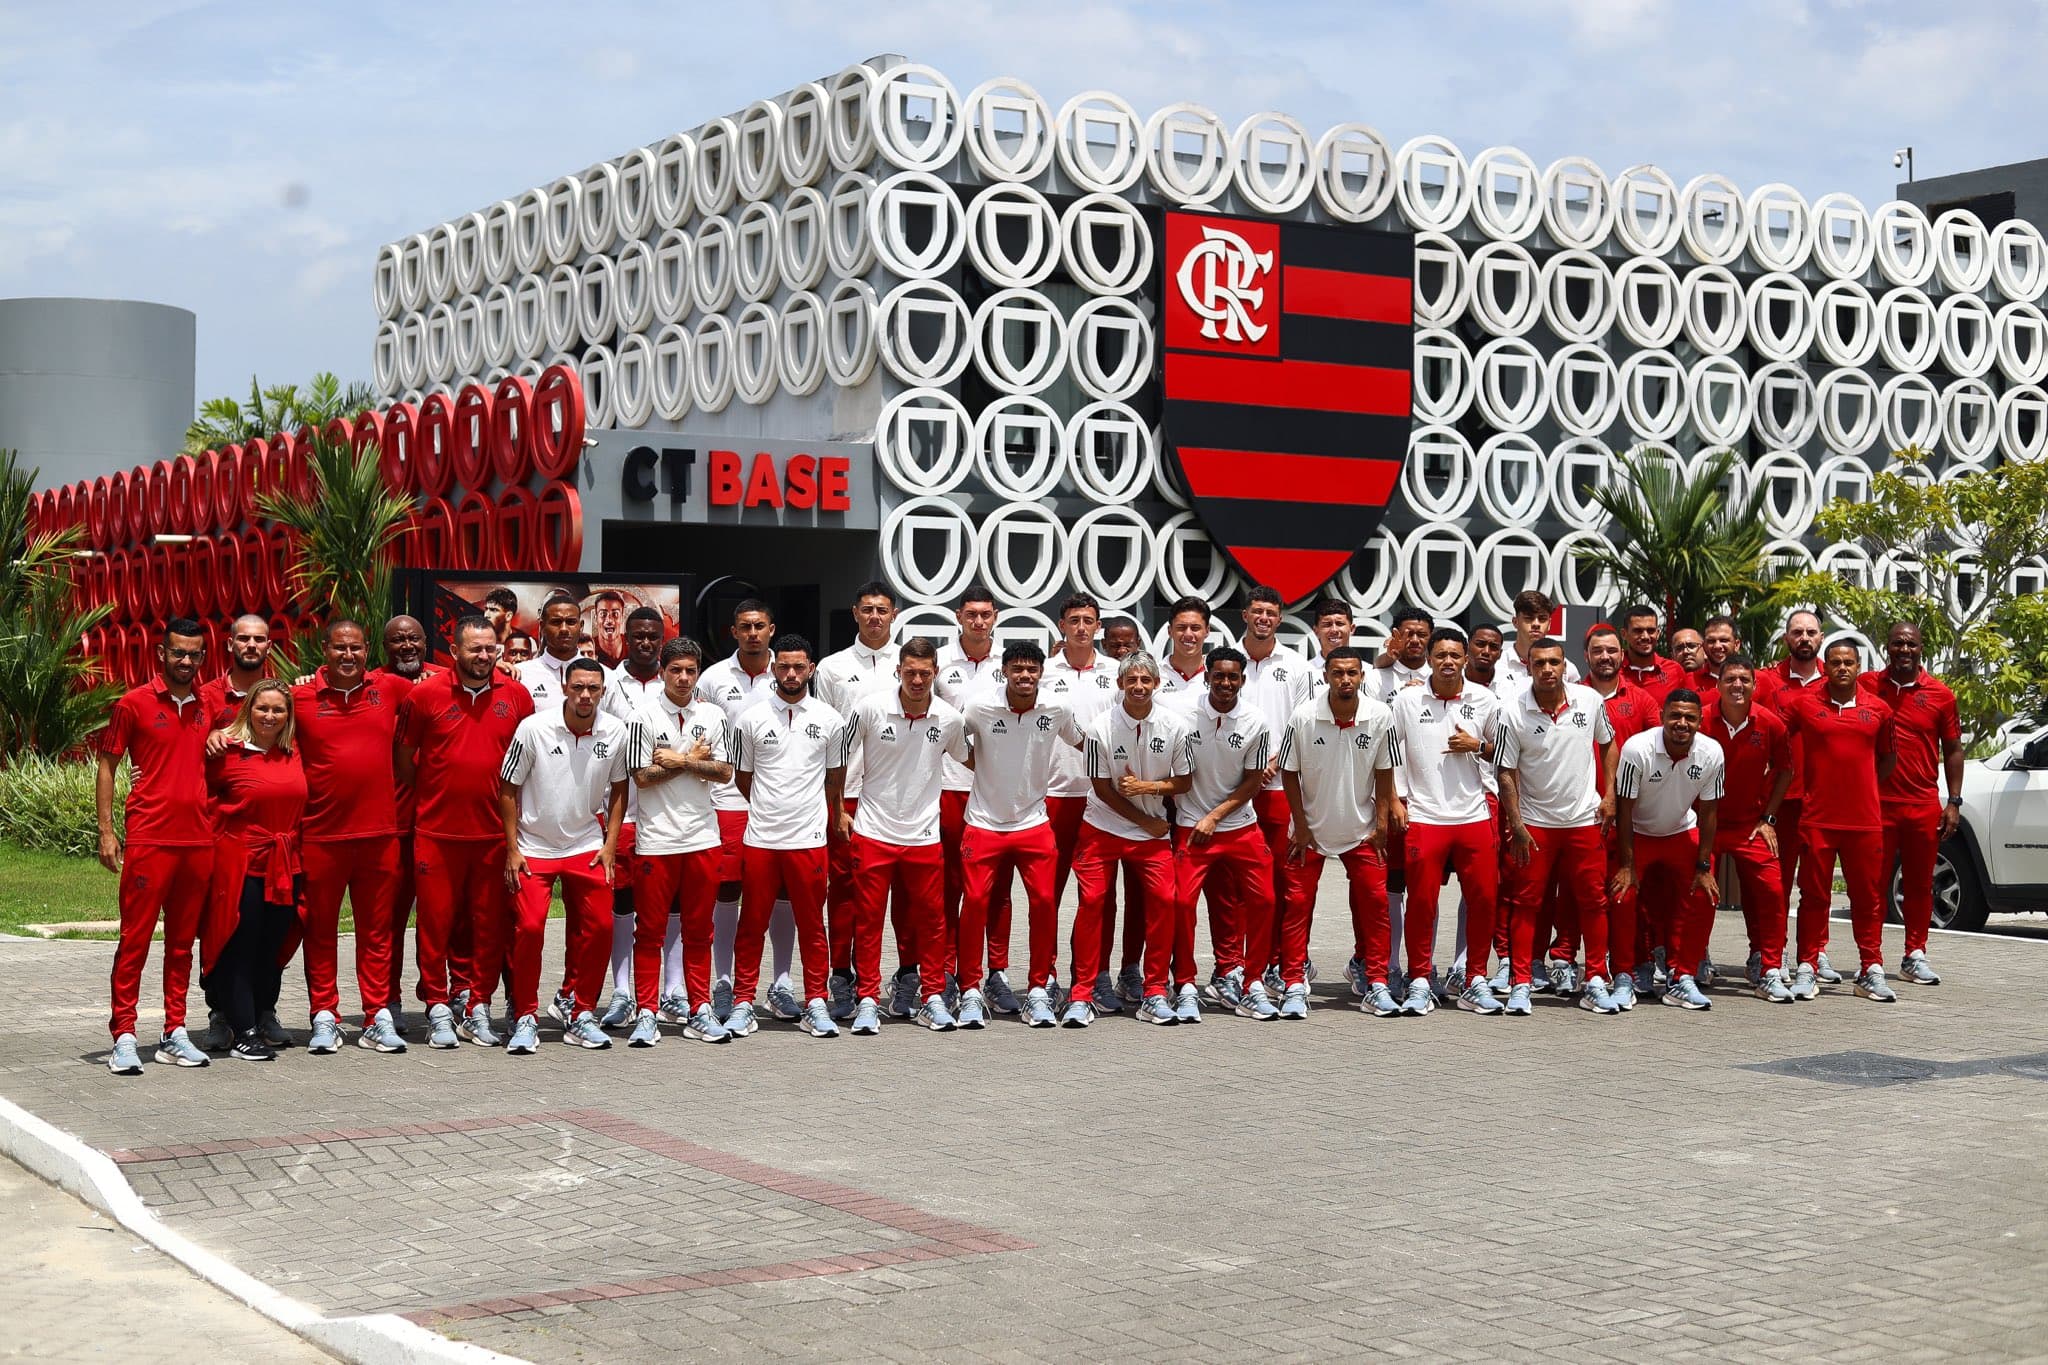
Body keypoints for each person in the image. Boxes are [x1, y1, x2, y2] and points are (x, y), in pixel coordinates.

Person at [397, 616, 535, 1048]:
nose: (483, 656)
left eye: (490, 648)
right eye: (474, 648)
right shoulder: (424, 696)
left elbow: (527, 764)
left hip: (494, 835)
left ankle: (478, 1006)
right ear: (453, 651)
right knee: (434, 926)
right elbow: (404, 761)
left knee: (488, 927)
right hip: (437, 833)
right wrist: (438, 793)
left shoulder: (516, 696)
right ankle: (438, 1006)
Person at [285, 620, 412, 1055]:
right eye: (339, 648)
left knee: (376, 932)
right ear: (324, 650)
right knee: (319, 931)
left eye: (356, 648)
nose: (348, 656)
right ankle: (324, 1016)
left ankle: (377, 1015)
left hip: (380, 834)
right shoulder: (299, 697)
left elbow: (442, 691)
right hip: (320, 836)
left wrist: (507, 669)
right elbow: (255, 726)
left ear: (366, 651)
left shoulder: (390, 689)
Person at [97, 619, 217, 1074]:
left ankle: (174, 1031)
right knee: (136, 941)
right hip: (150, 839)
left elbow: (265, 699)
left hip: (198, 841)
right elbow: (107, 766)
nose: (186, 661)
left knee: (183, 944)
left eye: (194, 654)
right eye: (178, 653)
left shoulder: (210, 705)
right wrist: (107, 832)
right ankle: (124, 1035)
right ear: (161, 654)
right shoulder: (134, 704)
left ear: (204, 657)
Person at [833, 637, 970, 1033]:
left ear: (935, 673)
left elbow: (970, 758)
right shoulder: (870, 708)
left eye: (924, 673)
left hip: (924, 834)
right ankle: (868, 1001)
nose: (916, 679)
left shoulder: (949, 718)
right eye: (909, 672)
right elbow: (839, 757)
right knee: (869, 920)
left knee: (930, 921)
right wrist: (840, 808)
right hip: (873, 831)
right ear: (898, 671)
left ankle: (931, 998)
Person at [498, 657, 629, 1055]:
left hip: (586, 845)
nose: (585, 695)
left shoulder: (616, 730)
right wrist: (512, 849)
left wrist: (609, 844)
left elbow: (620, 788)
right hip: (534, 845)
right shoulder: (533, 729)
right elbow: (507, 787)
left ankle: (581, 1012)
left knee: (601, 929)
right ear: (565, 689)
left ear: (603, 692)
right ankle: (524, 1016)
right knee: (532, 928)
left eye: (593, 688)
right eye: (578, 687)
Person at [1065, 653, 1195, 1027]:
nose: (1138, 686)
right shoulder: (1099, 728)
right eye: (1132, 680)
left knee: (1165, 902)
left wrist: (1149, 788)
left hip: (1150, 831)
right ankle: (1082, 994)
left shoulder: (1175, 725)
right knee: (1092, 904)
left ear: (1156, 684)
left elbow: (1184, 781)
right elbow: (1102, 788)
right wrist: (1143, 819)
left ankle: (1154, 992)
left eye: (1146, 680)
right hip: (1103, 827)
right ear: (1120, 684)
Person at [957, 640, 1082, 1028]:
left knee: (1045, 902)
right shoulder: (979, 706)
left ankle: (1039, 991)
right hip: (983, 822)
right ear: (1005, 672)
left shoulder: (1057, 707)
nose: (1025, 676)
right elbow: (953, 742)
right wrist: (985, 770)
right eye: (1017, 670)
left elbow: (1086, 741)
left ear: (1041, 673)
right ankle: (971, 992)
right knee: (975, 902)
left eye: (1032, 670)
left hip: (1033, 823)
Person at [1494, 639, 1621, 1015]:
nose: (1547, 669)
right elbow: (1505, 772)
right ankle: (1520, 983)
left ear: (1564, 666)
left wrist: (1609, 794)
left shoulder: (1590, 701)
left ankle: (1596, 978)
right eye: (1539, 663)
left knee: (1594, 902)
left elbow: (1609, 745)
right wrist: (1516, 825)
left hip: (1584, 820)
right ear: (1529, 666)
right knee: (1527, 904)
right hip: (1535, 825)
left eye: (1554, 663)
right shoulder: (1512, 711)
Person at [729, 634, 846, 1039]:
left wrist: (832, 816)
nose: (791, 674)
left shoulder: (830, 719)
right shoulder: (751, 719)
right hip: (761, 838)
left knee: (813, 925)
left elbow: (835, 778)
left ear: (811, 669)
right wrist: (770, 807)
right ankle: (743, 1002)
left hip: (810, 839)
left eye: (799, 667)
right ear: (774, 669)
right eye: (784, 666)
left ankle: (815, 1001)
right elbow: (743, 779)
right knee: (751, 924)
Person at [624, 636, 735, 1046]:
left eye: (691, 670)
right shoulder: (642, 716)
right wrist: (695, 763)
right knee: (650, 931)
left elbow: (724, 772)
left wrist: (679, 760)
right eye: (676, 671)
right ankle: (647, 1012)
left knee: (699, 930)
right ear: (662, 673)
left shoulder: (713, 714)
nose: (684, 678)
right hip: (657, 841)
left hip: (703, 837)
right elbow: (641, 776)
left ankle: (699, 1008)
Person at [1386, 628, 1503, 1014]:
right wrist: (1396, 799)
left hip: (1473, 814)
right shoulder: (1407, 698)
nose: (1448, 661)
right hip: (1424, 814)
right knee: (1422, 901)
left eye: (1455, 655)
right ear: (1430, 658)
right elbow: (1391, 751)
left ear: (1466, 659)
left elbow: (1504, 752)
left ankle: (1475, 979)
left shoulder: (1484, 699)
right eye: (1441, 655)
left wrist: (1478, 746)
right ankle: (1419, 978)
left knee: (1484, 899)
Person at [1279, 648, 1396, 1018]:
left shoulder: (1380, 715)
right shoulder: (1303, 716)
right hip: (1310, 831)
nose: (1345, 680)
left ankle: (1376, 982)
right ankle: (1294, 983)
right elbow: (1288, 772)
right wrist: (1300, 824)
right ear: (1326, 676)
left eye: (1352, 673)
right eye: (1337, 673)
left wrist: (1380, 825)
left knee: (1376, 904)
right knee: (1297, 905)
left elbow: (1385, 771)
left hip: (1361, 830)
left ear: (1362, 676)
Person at [1781, 640, 1899, 1001]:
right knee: (1814, 897)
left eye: (1849, 662)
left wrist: (1858, 787)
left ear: (1858, 665)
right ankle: (1806, 967)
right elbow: (1777, 739)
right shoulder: (1804, 705)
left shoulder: (1879, 709)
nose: (1842, 668)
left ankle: (1871, 968)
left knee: (1867, 898)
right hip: (1817, 818)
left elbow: (1887, 761)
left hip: (1864, 820)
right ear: (1825, 666)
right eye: (1835, 662)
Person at [814, 581, 903, 1021]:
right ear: (854, 613)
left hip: (896, 795)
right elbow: (826, 736)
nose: (874, 617)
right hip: (846, 793)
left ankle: (907, 976)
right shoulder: (831, 668)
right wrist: (835, 804)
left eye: (882, 610)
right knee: (845, 890)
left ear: (893, 614)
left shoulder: (911, 663)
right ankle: (842, 976)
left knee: (902, 892)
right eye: (867, 609)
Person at [204, 681, 307, 1062]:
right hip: (242, 863)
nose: (270, 716)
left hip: (285, 864)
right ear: (248, 709)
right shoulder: (225, 750)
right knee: (240, 946)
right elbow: (195, 790)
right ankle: (242, 1029)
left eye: (278, 710)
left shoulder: (293, 750)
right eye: (262, 708)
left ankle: (261, 1016)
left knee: (272, 948)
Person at [1860, 621, 1963, 987]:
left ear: (1921, 648)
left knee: (1920, 885)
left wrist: (1953, 801)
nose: (1904, 649)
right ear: (1886, 647)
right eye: (1897, 644)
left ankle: (1914, 955)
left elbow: (1952, 749)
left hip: (1921, 804)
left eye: (1911, 644)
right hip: (1876, 804)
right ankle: (1870, 961)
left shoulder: (1940, 695)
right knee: (1872, 885)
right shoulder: (1867, 685)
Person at [698, 600, 787, 1019]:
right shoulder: (714, 678)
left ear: (772, 629)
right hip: (729, 800)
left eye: (760, 626)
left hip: (784, 803)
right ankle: (723, 981)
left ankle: (782, 981)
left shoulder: (792, 672)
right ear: (733, 632)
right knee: (728, 889)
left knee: (780, 891)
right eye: (745, 627)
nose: (753, 633)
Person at [1173, 647, 1274, 1015]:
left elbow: (1252, 782)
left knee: (1264, 900)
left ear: (1243, 681)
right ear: (1207, 677)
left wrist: (1215, 816)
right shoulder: (1182, 714)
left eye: (1233, 677)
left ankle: (1253, 982)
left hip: (1237, 825)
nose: (1226, 683)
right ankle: (1184, 983)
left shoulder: (1257, 721)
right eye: (1219, 676)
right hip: (1190, 826)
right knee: (1181, 903)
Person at [1610, 690, 1724, 1011]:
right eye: (1675, 716)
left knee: (1706, 892)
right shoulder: (1637, 749)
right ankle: (1624, 975)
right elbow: (1624, 809)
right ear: (1662, 717)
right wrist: (1627, 866)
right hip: (1638, 833)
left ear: (1700, 721)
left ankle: (1682, 976)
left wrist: (1703, 866)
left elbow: (1710, 812)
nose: (1682, 723)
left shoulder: (1711, 752)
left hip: (1680, 831)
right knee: (1622, 893)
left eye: (1690, 717)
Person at [1041, 593, 1124, 1007]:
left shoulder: (1115, 672)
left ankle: (1095, 976)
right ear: (1061, 625)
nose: (1081, 627)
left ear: (1098, 627)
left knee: (1099, 897)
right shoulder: (1042, 672)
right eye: (1074, 620)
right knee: (1047, 894)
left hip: (1101, 797)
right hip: (1053, 795)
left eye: (1088, 620)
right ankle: (1047, 977)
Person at [587, 605, 667, 1027]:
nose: (645, 642)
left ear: (662, 638)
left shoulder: (676, 683)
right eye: (637, 635)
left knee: (662, 909)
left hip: (665, 816)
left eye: (652, 636)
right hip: (619, 812)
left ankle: (668, 992)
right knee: (621, 904)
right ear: (625, 638)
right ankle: (621, 992)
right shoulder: (608, 683)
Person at [1699, 655, 1795, 1001]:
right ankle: (1695, 960)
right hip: (1705, 824)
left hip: (1748, 826)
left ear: (1754, 685)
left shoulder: (1770, 723)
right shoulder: (1700, 719)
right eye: (1730, 680)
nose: (1737, 685)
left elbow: (1785, 770)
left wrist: (1768, 817)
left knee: (1772, 890)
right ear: (1717, 685)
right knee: (1698, 891)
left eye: (1744, 680)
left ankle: (1769, 968)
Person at [1241, 584, 1316, 991]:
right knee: (1244, 885)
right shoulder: (1228, 661)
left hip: (1280, 786)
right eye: (1257, 611)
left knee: (1287, 882)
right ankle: (1237, 967)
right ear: (1245, 616)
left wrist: (1275, 761)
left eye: (1271, 612)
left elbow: (1301, 723)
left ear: (1280, 619)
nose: (1264, 618)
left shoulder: (1298, 666)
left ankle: (1285, 962)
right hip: (1236, 787)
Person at [932, 585, 1002, 1015]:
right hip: (946, 786)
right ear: (959, 617)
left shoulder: (1011, 661)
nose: (979, 621)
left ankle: (993, 972)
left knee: (992, 891)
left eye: (986, 614)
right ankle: (943, 969)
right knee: (947, 887)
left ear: (996, 618)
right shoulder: (938, 662)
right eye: (972, 614)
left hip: (995, 791)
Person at [370, 615, 440, 1034]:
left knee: (441, 917)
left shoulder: (448, 680)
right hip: (392, 822)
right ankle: (387, 998)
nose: (407, 646)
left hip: (441, 820)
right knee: (389, 921)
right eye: (398, 640)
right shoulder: (371, 685)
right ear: (385, 646)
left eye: (414, 638)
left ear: (426, 641)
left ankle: (442, 996)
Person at [1766, 610, 1831, 980]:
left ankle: (1815, 951)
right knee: (1777, 884)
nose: (1804, 638)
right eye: (1797, 632)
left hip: (1824, 800)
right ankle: (1775, 952)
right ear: (1786, 638)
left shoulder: (1838, 678)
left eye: (1811, 632)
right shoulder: (1767, 681)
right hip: (1783, 800)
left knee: (1818, 884)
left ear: (1821, 637)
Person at [1370, 605, 1433, 988]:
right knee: (1389, 884)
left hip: (1428, 799)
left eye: (1421, 634)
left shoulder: (1440, 676)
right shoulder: (1374, 678)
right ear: (1393, 635)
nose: (1413, 640)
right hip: (1387, 793)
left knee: (1424, 888)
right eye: (1406, 633)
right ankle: (1386, 963)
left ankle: (1426, 969)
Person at [1496, 590, 1579, 693]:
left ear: (1549, 624)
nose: (1536, 624)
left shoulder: (1568, 669)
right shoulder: (1498, 665)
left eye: (1542, 619)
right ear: (1515, 622)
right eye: (1529, 618)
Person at [200, 615, 272, 726]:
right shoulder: (206, 696)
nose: (251, 645)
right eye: (243, 639)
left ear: (268, 647)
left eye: (259, 639)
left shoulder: (283, 695)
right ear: (230, 644)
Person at [517, 594, 585, 707]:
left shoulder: (605, 676)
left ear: (581, 626)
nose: (564, 629)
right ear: (542, 626)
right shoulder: (521, 674)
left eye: (571, 622)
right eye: (556, 622)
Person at [1620, 605, 1686, 705]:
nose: (1645, 637)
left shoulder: (1674, 671)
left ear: (1658, 633)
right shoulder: (1614, 671)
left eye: (1650, 631)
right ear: (1624, 634)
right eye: (1638, 631)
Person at [1156, 596, 1212, 709]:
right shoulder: (1153, 675)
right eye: (1181, 627)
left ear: (1207, 631)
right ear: (1170, 631)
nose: (1188, 635)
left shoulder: (1218, 676)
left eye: (1195, 628)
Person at [1695, 616, 1740, 692]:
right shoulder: (1690, 680)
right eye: (1711, 641)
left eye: (1724, 640)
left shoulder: (1759, 679)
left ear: (1736, 645)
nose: (1717, 646)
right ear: (1704, 645)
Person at [590, 590, 628, 669]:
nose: (609, 620)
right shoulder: (589, 649)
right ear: (596, 618)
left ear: (622, 618)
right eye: (603, 614)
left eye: (615, 614)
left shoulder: (632, 646)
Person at [1465, 624, 1504, 691]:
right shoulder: (1450, 682)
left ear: (1500, 654)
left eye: (1493, 647)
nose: (1486, 652)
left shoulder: (1510, 688)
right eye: (1480, 644)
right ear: (1467, 647)